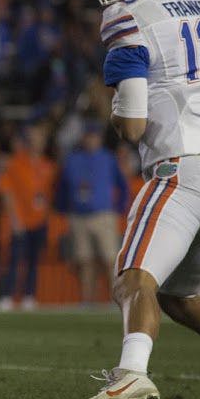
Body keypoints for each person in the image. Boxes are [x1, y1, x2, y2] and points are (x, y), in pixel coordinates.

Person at [72, 0, 200, 399]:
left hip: (178, 172)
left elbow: (135, 126)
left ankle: (131, 375)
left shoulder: (128, 15)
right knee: (180, 296)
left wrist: (116, 112)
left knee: (131, 278)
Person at [54, 121, 127, 304]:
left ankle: (115, 300)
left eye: (94, 136)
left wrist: (118, 208)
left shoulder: (108, 158)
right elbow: (61, 187)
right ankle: (87, 301)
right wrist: (63, 208)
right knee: (85, 261)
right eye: (88, 136)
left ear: (99, 138)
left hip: (103, 214)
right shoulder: (72, 159)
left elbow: (123, 186)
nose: (91, 140)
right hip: (78, 216)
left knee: (110, 259)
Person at [0, 124, 55, 311]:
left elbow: (49, 194)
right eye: (33, 138)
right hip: (21, 221)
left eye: (40, 139)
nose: (37, 143)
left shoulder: (48, 165)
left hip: (39, 220)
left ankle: (29, 295)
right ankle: (6, 296)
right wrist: (15, 218)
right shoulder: (15, 163)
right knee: (14, 260)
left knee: (33, 261)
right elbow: (6, 191)